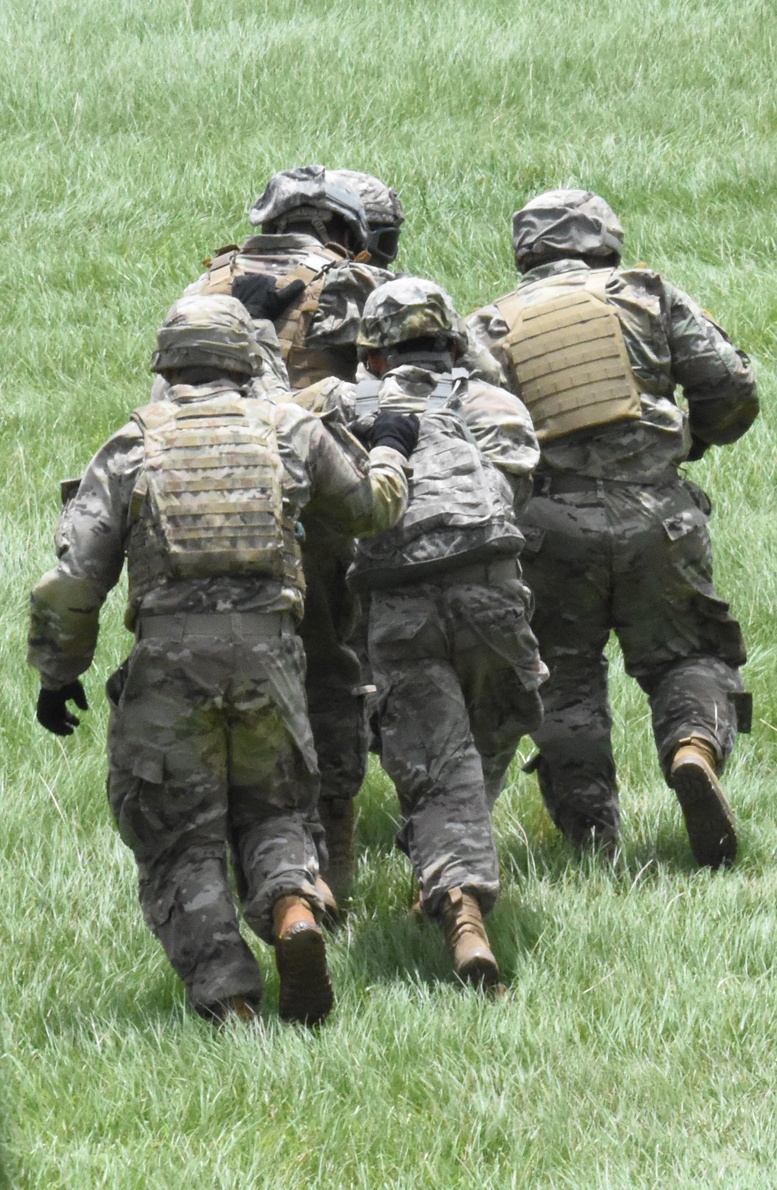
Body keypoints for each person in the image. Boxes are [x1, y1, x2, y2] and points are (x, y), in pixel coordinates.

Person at [28, 295, 416, 1026]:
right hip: (273, 658)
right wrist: (391, 445)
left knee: (178, 834)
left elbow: (75, 579)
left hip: (169, 665)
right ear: (246, 359)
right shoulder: (289, 428)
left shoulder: (132, 443)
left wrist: (59, 674)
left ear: (166, 363)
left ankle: (229, 997)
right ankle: (294, 911)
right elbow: (369, 509)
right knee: (275, 811)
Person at [469, 189, 759, 866]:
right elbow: (730, 389)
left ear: (525, 251)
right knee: (687, 655)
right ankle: (691, 747)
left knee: (564, 680)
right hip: (655, 515)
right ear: (604, 242)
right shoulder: (646, 295)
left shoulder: (487, 325)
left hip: (548, 527)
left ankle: (593, 846)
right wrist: (686, 448)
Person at [345, 277, 547, 990]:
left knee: (433, 758)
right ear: (454, 342)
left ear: (371, 355)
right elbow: (514, 491)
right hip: (490, 588)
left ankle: (456, 898)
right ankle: (453, 875)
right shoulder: (493, 403)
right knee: (488, 734)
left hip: (397, 601)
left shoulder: (344, 406)